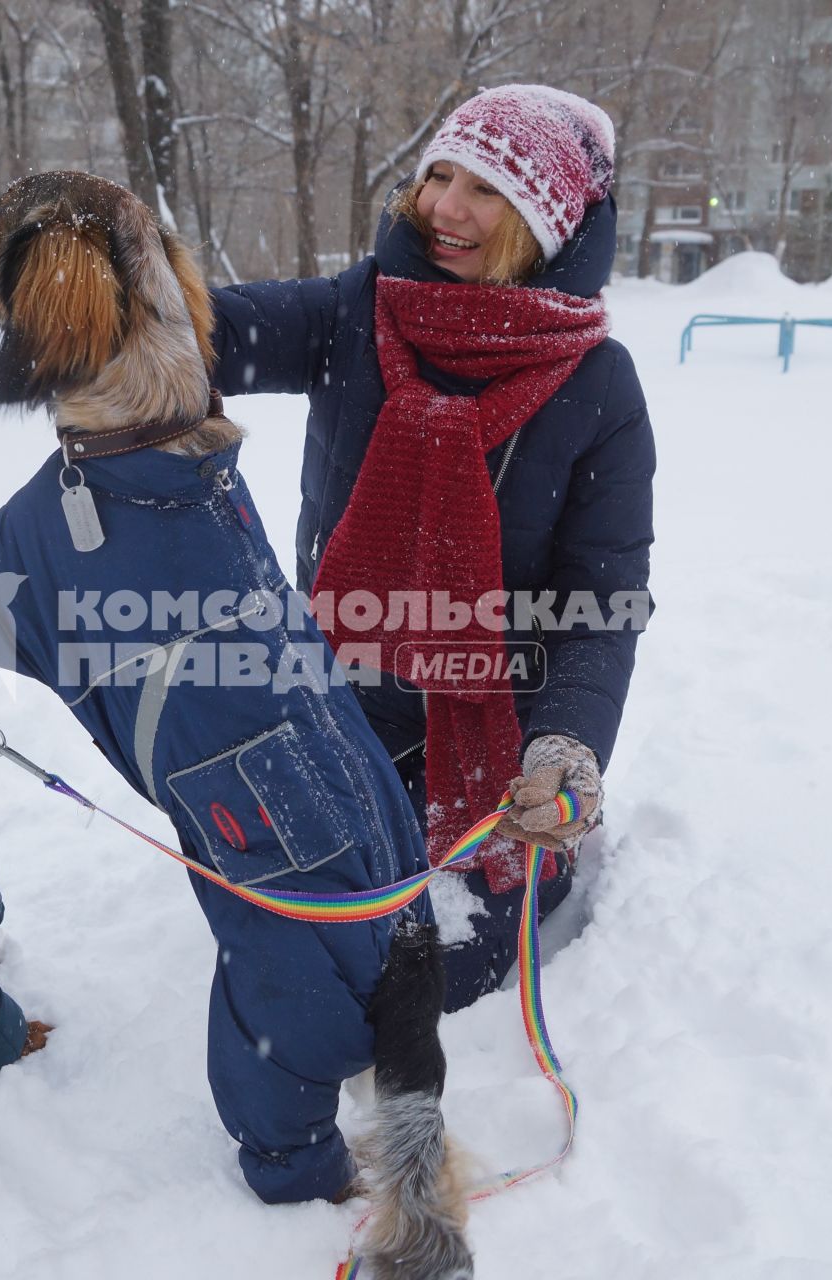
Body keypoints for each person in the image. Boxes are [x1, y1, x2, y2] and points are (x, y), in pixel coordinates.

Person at [210, 84, 656, 1011]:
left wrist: (565, 746)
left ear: (545, 220)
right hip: (330, 702)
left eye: (486, 190)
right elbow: (194, 336)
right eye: (437, 176)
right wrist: (47, 281)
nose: (444, 207)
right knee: (297, 930)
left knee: (423, 968)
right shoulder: (357, 311)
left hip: (485, 741)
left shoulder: (599, 386)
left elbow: (603, 598)